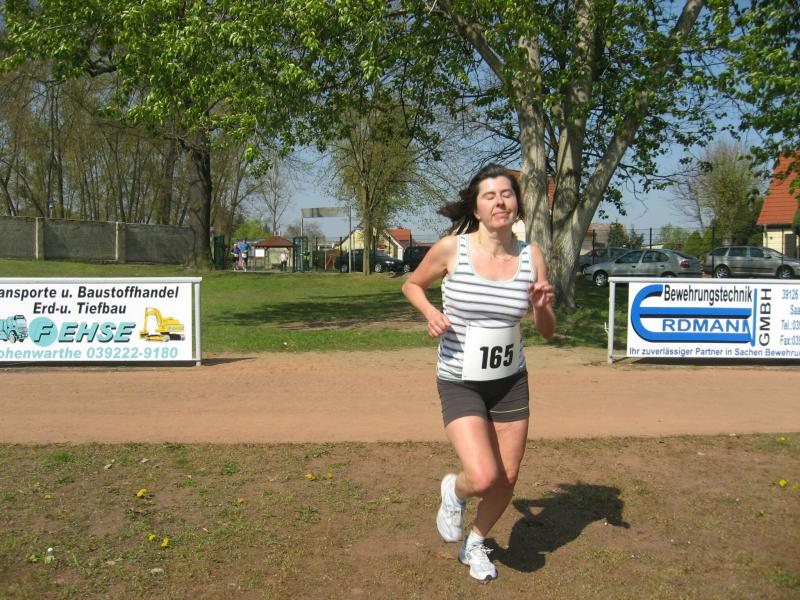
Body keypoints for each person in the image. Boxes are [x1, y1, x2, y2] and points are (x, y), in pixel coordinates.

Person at [402, 164, 555, 582]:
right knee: (483, 476)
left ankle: (475, 541)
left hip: (510, 381)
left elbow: (546, 330)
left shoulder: (532, 256)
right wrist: (430, 312)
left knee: (507, 477)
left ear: (517, 203)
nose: (500, 202)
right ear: (476, 207)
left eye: (507, 194)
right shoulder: (452, 249)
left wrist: (542, 306)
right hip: (460, 379)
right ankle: (454, 489)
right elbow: (412, 285)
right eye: (490, 196)